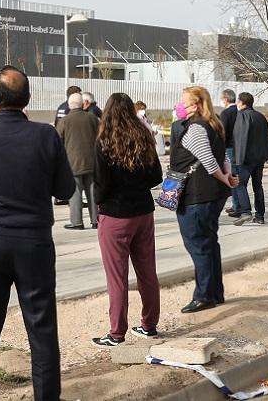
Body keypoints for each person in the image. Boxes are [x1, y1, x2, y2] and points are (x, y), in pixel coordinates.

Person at [0, 66, 75, 401]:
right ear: (27, 100)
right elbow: (65, 187)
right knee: (41, 331)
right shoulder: (45, 135)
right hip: (35, 242)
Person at [90, 92, 163, 347]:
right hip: (143, 211)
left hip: (115, 214)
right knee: (147, 271)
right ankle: (149, 324)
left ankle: (116, 333)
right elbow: (156, 177)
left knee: (117, 277)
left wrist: (101, 202)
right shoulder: (144, 136)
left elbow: (100, 185)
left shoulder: (104, 142)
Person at [171, 86, 239, 314]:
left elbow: (209, 161)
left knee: (198, 244)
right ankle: (215, 292)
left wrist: (224, 178)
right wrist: (227, 176)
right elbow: (224, 155)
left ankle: (203, 296)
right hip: (210, 195)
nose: (180, 106)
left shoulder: (196, 128)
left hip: (198, 195)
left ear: (197, 105)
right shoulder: (214, 123)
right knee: (209, 243)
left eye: (185, 102)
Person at [230, 92, 268, 225]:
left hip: (246, 158)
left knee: (240, 184)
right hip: (259, 158)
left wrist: (237, 158)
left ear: (241, 102)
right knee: (257, 186)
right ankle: (260, 215)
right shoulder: (260, 116)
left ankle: (245, 212)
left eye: (238, 101)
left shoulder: (242, 116)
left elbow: (240, 139)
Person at [58, 92, 100, 230]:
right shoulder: (92, 118)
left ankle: (77, 222)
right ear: (83, 104)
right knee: (92, 190)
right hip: (91, 161)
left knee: (75, 192)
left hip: (72, 162)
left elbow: (58, 140)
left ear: (69, 105)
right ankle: (96, 220)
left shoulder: (64, 121)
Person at [219, 89, 238, 211]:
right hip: (240, 147)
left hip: (229, 147)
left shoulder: (225, 113)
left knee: (232, 175)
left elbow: (222, 132)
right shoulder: (240, 111)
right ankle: (238, 203)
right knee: (238, 175)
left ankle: (236, 205)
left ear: (225, 100)